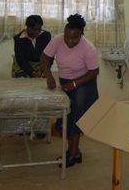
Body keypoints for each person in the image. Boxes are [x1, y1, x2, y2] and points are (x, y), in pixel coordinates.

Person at [41, 14, 99, 168]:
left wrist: (74, 84)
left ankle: (73, 153)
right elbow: (45, 58)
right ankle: (75, 152)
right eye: (67, 37)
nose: (69, 41)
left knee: (74, 117)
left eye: (74, 38)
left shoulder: (88, 48)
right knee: (66, 116)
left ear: (81, 35)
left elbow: (94, 72)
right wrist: (49, 77)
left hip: (85, 83)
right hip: (66, 82)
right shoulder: (57, 40)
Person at [12, 15, 52, 139]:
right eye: (34, 29)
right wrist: (32, 73)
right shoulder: (19, 39)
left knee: (41, 98)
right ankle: (23, 127)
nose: (37, 32)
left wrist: (45, 71)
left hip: (42, 64)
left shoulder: (46, 36)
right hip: (23, 66)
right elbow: (21, 59)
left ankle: (40, 128)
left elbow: (49, 55)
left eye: (39, 29)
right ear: (27, 28)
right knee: (24, 97)